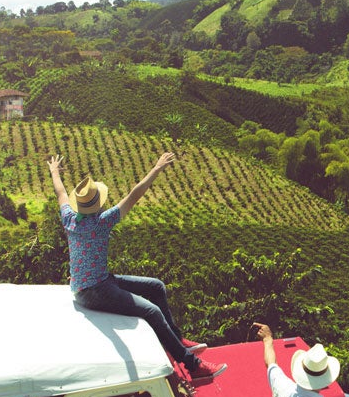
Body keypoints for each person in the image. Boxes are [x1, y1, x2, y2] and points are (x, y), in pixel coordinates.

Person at [49, 152, 223, 382]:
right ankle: (192, 365)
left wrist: (54, 171)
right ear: (98, 203)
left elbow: (61, 193)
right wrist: (157, 168)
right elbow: (135, 194)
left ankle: (177, 340)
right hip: (94, 291)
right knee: (152, 311)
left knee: (156, 286)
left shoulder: (70, 219)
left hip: (93, 283)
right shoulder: (101, 222)